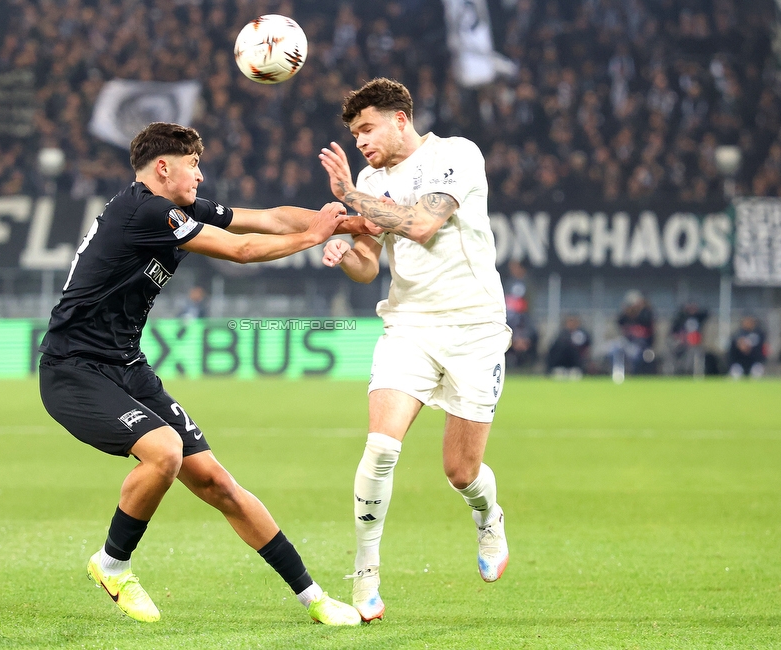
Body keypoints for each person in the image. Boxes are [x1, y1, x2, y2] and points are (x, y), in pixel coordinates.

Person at [39, 122, 369, 626]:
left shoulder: (176, 209)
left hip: (126, 366)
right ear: (163, 167)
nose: (200, 172)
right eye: (192, 164)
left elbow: (267, 218)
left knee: (218, 483)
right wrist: (313, 237)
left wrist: (348, 224)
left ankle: (316, 599)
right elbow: (240, 250)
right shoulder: (143, 211)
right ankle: (112, 564)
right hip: (72, 369)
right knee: (165, 450)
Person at [318, 78, 511, 622]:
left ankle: (488, 515)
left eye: (366, 128)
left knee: (460, 470)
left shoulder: (455, 155)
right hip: (408, 326)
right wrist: (343, 248)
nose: (359, 141)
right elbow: (369, 265)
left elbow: (423, 224)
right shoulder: (371, 177)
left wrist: (348, 199)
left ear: (400, 118)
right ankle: (365, 572)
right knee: (381, 447)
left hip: (475, 329)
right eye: (354, 133)